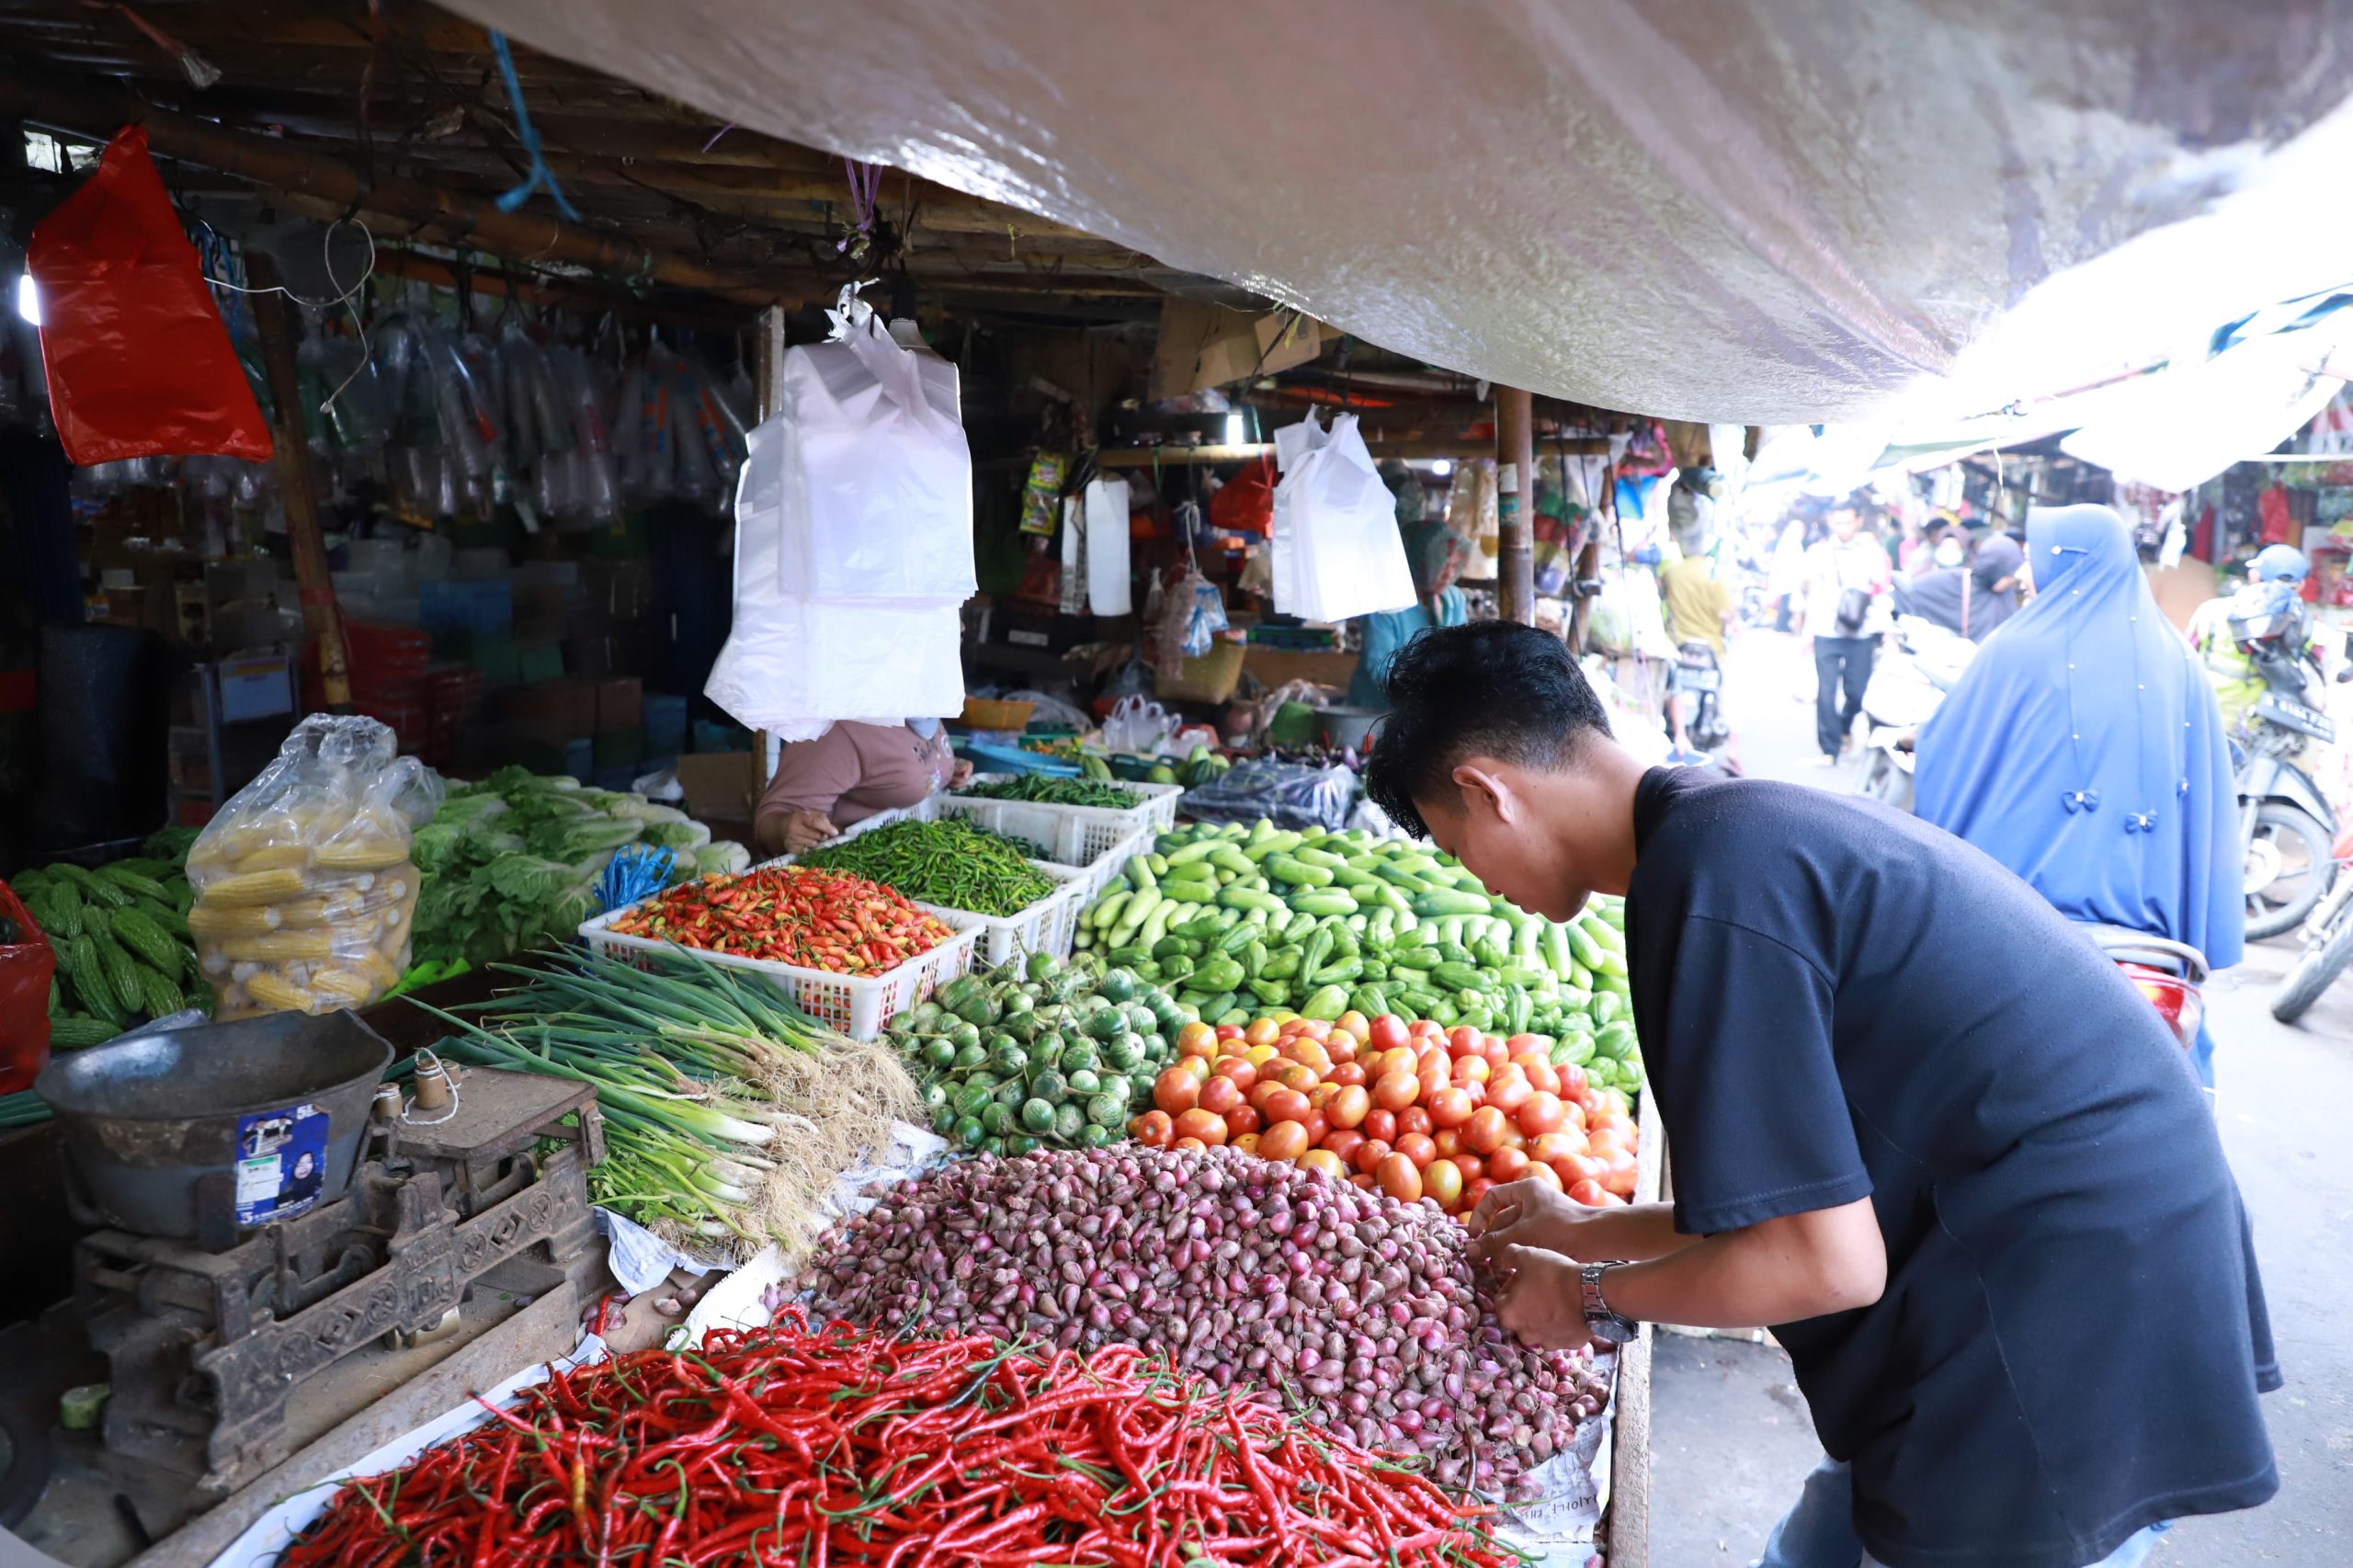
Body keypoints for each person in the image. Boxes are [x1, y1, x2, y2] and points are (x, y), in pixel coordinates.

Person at [1360, 620, 2279, 1568]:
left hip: (2063, 1316)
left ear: (1486, 791)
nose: (1473, 875)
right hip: (2071, 1258)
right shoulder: (1722, 829)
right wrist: (1583, 1225)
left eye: (1450, 842)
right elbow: (1786, 1207)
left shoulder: (1711, 880)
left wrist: (1589, 1293)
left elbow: (1825, 1263)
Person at [1915, 505, 2241, 1087]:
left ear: (2066, 562)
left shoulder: (2017, 649)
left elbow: (1949, 753)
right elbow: (2211, 795)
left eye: (2037, 560)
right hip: (2152, 937)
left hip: (2019, 913)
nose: (2025, 576)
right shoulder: (2182, 663)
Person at [1346, 460, 1470, 709]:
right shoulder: (1386, 602)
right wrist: (1425, 694)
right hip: (1376, 712)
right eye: (1442, 564)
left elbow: (1462, 654)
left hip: (1427, 713)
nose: (1448, 574)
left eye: (1454, 566)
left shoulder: (1453, 599)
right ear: (1420, 561)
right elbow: (1379, 666)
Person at [755, 720, 972, 854]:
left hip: (903, 852)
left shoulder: (923, 706)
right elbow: (771, 821)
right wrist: (786, 828)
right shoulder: (839, 727)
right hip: (849, 879)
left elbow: (900, 764)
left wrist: (947, 770)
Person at [1801, 500, 1891, 764]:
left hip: (1861, 631)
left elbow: (1881, 591)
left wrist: (1887, 633)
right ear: (1830, 522)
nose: (1842, 527)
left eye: (1847, 522)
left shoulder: (1871, 551)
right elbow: (1812, 593)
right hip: (1826, 629)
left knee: (1857, 693)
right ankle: (1830, 749)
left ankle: (1843, 727)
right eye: (1837, 522)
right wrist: (1807, 633)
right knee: (1826, 693)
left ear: (1858, 522)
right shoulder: (1819, 552)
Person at [2188, 543, 2314, 730]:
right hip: (2259, 732)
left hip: (2206, 720)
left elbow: (2184, 659)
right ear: (2301, 585)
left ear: (2254, 576)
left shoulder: (2212, 610)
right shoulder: (2309, 628)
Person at [1657, 535, 1738, 765]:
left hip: (1678, 645)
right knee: (1729, 696)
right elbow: (1725, 614)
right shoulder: (1716, 575)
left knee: (1671, 689)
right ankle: (1734, 748)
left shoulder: (1671, 573)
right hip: (1711, 647)